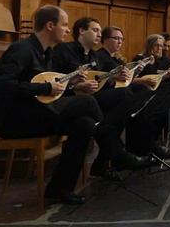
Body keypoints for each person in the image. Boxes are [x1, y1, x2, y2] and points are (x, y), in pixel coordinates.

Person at [0, 6, 102, 205]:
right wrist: (45, 87)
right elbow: (3, 86)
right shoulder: (22, 49)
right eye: (65, 25)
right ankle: (112, 147)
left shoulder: (45, 53)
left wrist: (69, 85)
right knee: (88, 101)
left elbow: (48, 91)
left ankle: (59, 188)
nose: (68, 30)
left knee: (83, 124)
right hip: (15, 120)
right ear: (50, 25)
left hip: (37, 114)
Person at [52, 17, 151, 179]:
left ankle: (116, 156)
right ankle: (122, 154)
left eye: (100, 31)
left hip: (90, 100)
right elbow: (54, 80)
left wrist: (115, 78)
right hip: (70, 102)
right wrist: (74, 86)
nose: (99, 34)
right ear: (82, 31)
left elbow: (100, 83)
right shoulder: (64, 50)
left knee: (125, 101)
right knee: (121, 100)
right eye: (95, 30)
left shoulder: (93, 57)